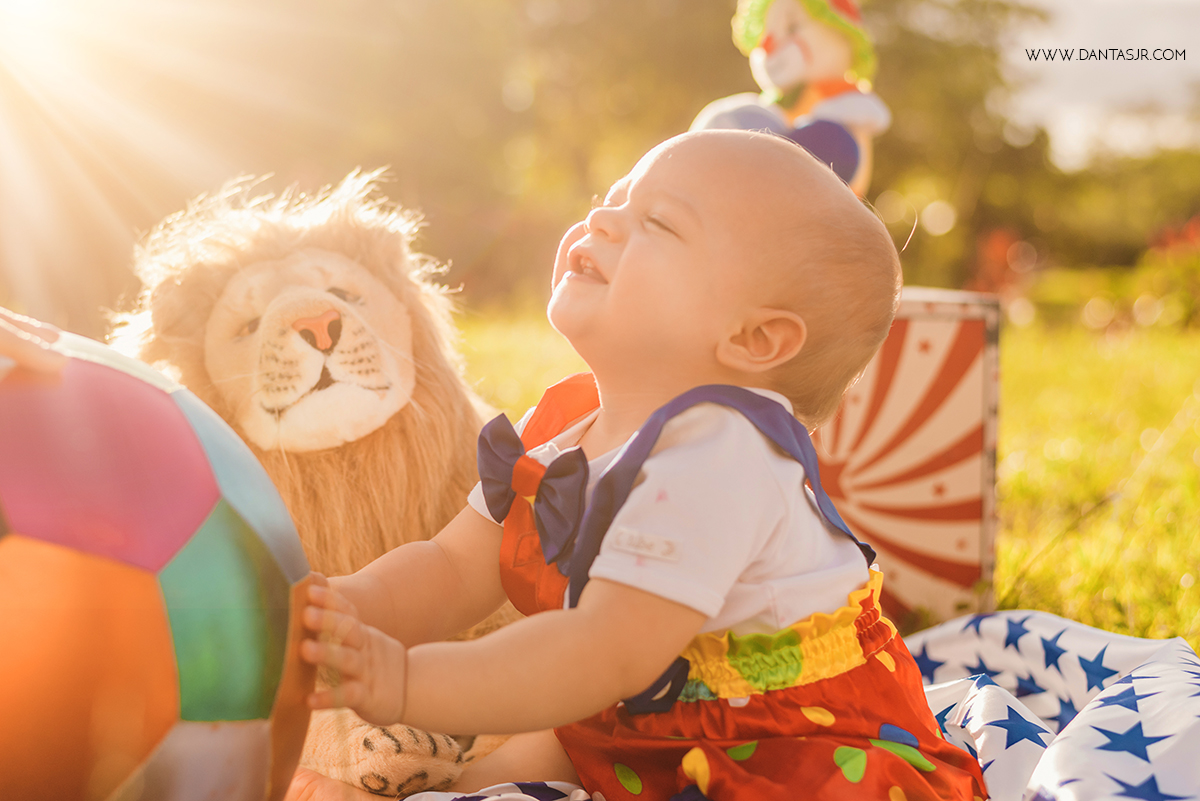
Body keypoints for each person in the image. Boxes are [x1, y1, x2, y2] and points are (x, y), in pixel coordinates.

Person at [296, 130, 985, 801]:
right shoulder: (564, 426)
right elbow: (450, 566)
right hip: (634, 720)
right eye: (613, 196)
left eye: (655, 220)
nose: (602, 216)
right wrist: (344, 609)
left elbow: (599, 652)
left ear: (754, 338)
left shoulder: (722, 454)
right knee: (492, 771)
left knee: (534, 737)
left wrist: (403, 683)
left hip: (784, 746)